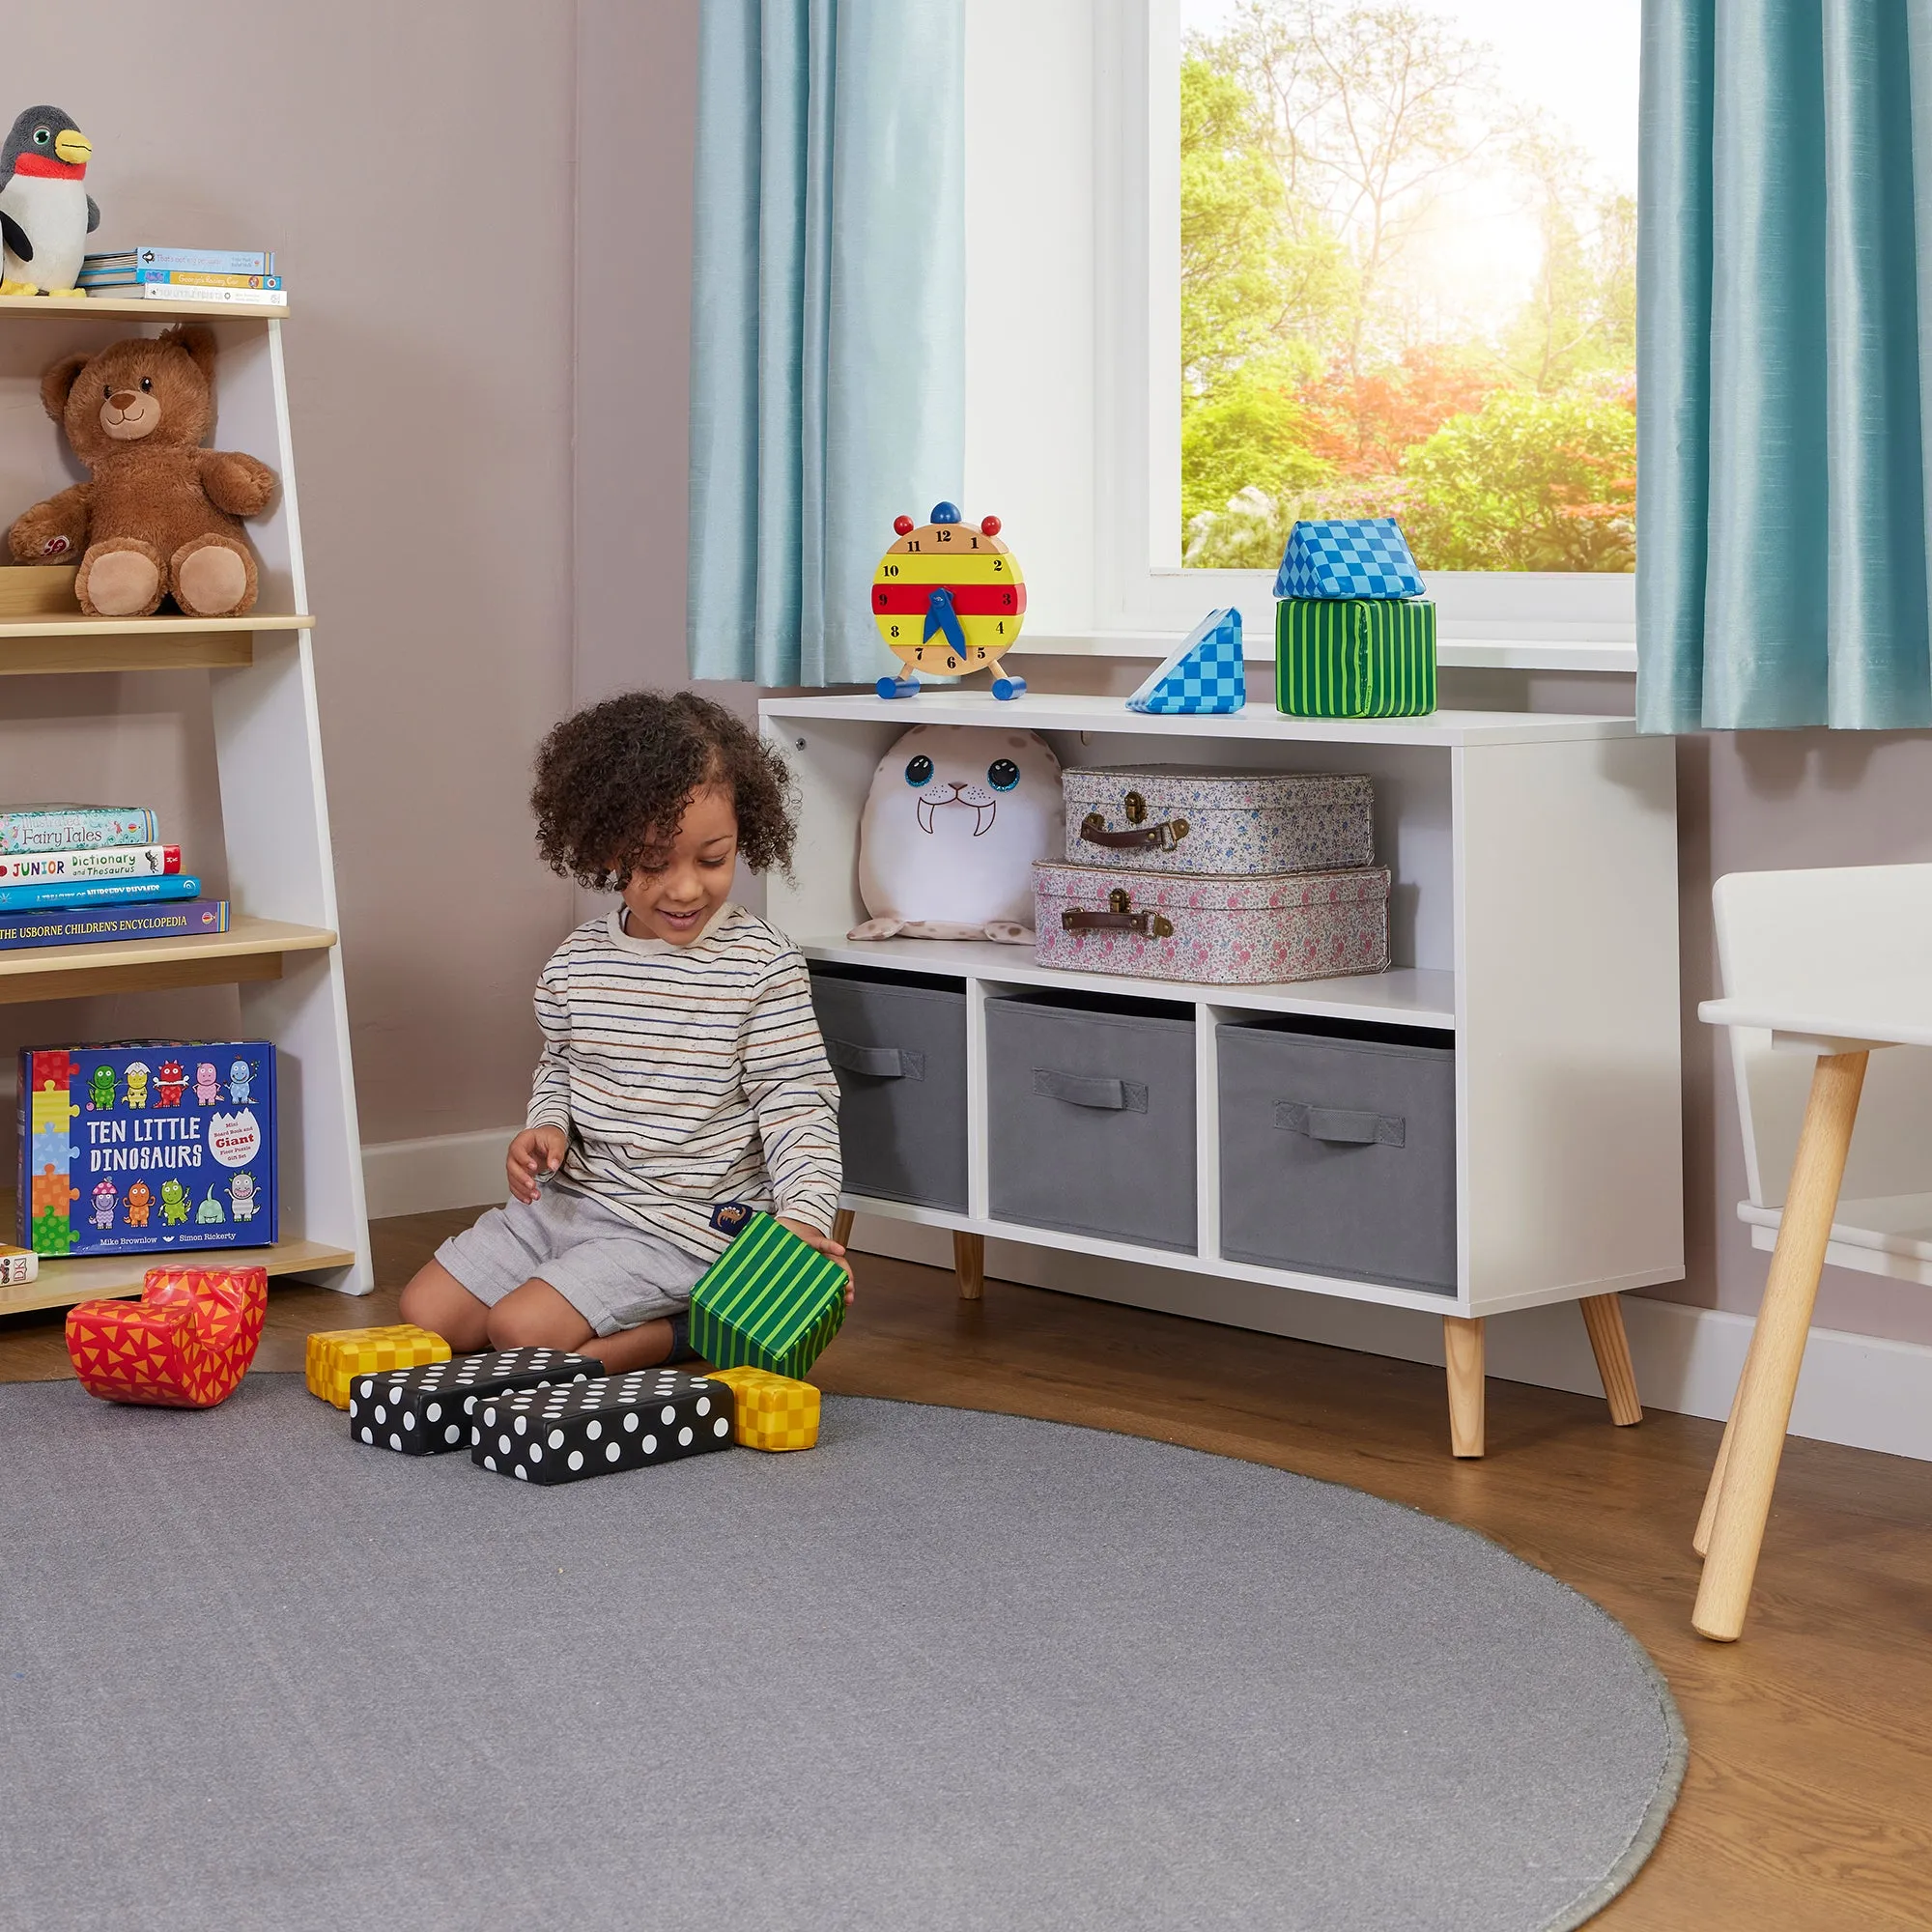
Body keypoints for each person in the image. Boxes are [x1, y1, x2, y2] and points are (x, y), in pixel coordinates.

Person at [398, 690, 846, 1371]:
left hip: (689, 1228)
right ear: (606, 848)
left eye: (712, 859)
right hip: (573, 1204)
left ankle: (694, 1326)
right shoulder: (577, 960)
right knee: (428, 1315)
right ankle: (599, 1310)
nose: (686, 889)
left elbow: (798, 1102)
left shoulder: (763, 965)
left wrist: (804, 1219)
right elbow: (561, 1067)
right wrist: (545, 1129)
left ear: (743, 837)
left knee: (520, 1332)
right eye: (654, 863)